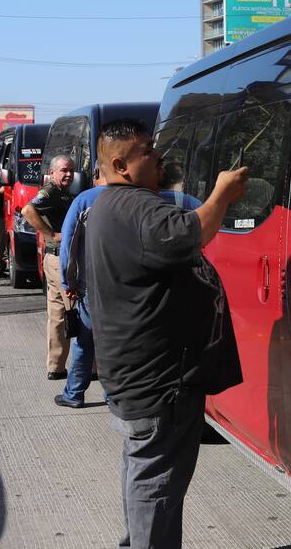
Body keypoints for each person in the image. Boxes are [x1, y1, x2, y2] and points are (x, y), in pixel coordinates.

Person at [86, 118, 247, 549]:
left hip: (134, 368)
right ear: (120, 165)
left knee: (145, 468)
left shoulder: (108, 206)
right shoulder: (136, 208)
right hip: (156, 374)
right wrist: (221, 194)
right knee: (159, 473)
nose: (157, 160)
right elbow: (193, 234)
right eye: (146, 153)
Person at [56, 168, 201, 409]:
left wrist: (67, 281)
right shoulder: (145, 197)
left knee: (85, 343)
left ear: (97, 175)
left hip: (92, 286)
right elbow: (195, 211)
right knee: (119, 343)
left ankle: (74, 394)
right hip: (130, 285)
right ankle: (114, 396)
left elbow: (68, 245)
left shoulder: (85, 200)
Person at [21, 155, 75, 380]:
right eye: (63, 170)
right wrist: (51, 234)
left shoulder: (60, 192)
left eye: (71, 170)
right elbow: (27, 210)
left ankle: (56, 366)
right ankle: (90, 368)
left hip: (53, 260)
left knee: (57, 314)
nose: (68, 174)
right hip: (59, 260)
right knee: (77, 310)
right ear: (52, 173)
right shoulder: (50, 191)